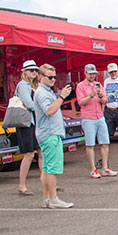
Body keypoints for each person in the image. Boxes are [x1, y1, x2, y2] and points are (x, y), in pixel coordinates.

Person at [34, 63, 74, 209]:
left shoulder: (46, 91)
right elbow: (49, 111)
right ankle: (53, 198)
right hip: (50, 134)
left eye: (54, 77)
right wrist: (62, 97)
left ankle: (47, 198)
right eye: (49, 77)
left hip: (47, 133)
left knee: (46, 168)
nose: (52, 80)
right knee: (52, 169)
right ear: (40, 77)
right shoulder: (42, 93)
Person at [76, 64, 117, 179]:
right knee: (90, 144)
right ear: (85, 73)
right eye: (90, 74)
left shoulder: (98, 85)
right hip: (88, 117)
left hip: (99, 116)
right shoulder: (80, 86)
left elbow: (105, 100)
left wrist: (100, 95)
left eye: (94, 74)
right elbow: (81, 102)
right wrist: (92, 94)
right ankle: (93, 169)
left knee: (105, 142)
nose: (93, 76)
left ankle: (105, 167)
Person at [14, 60, 43, 196]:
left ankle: (46, 181)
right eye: (31, 70)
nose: (34, 72)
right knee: (29, 154)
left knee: (41, 152)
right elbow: (29, 104)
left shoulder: (34, 85)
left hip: (34, 122)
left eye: (35, 70)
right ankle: (22, 185)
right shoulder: (23, 85)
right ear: (24, 72)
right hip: (26, 123)